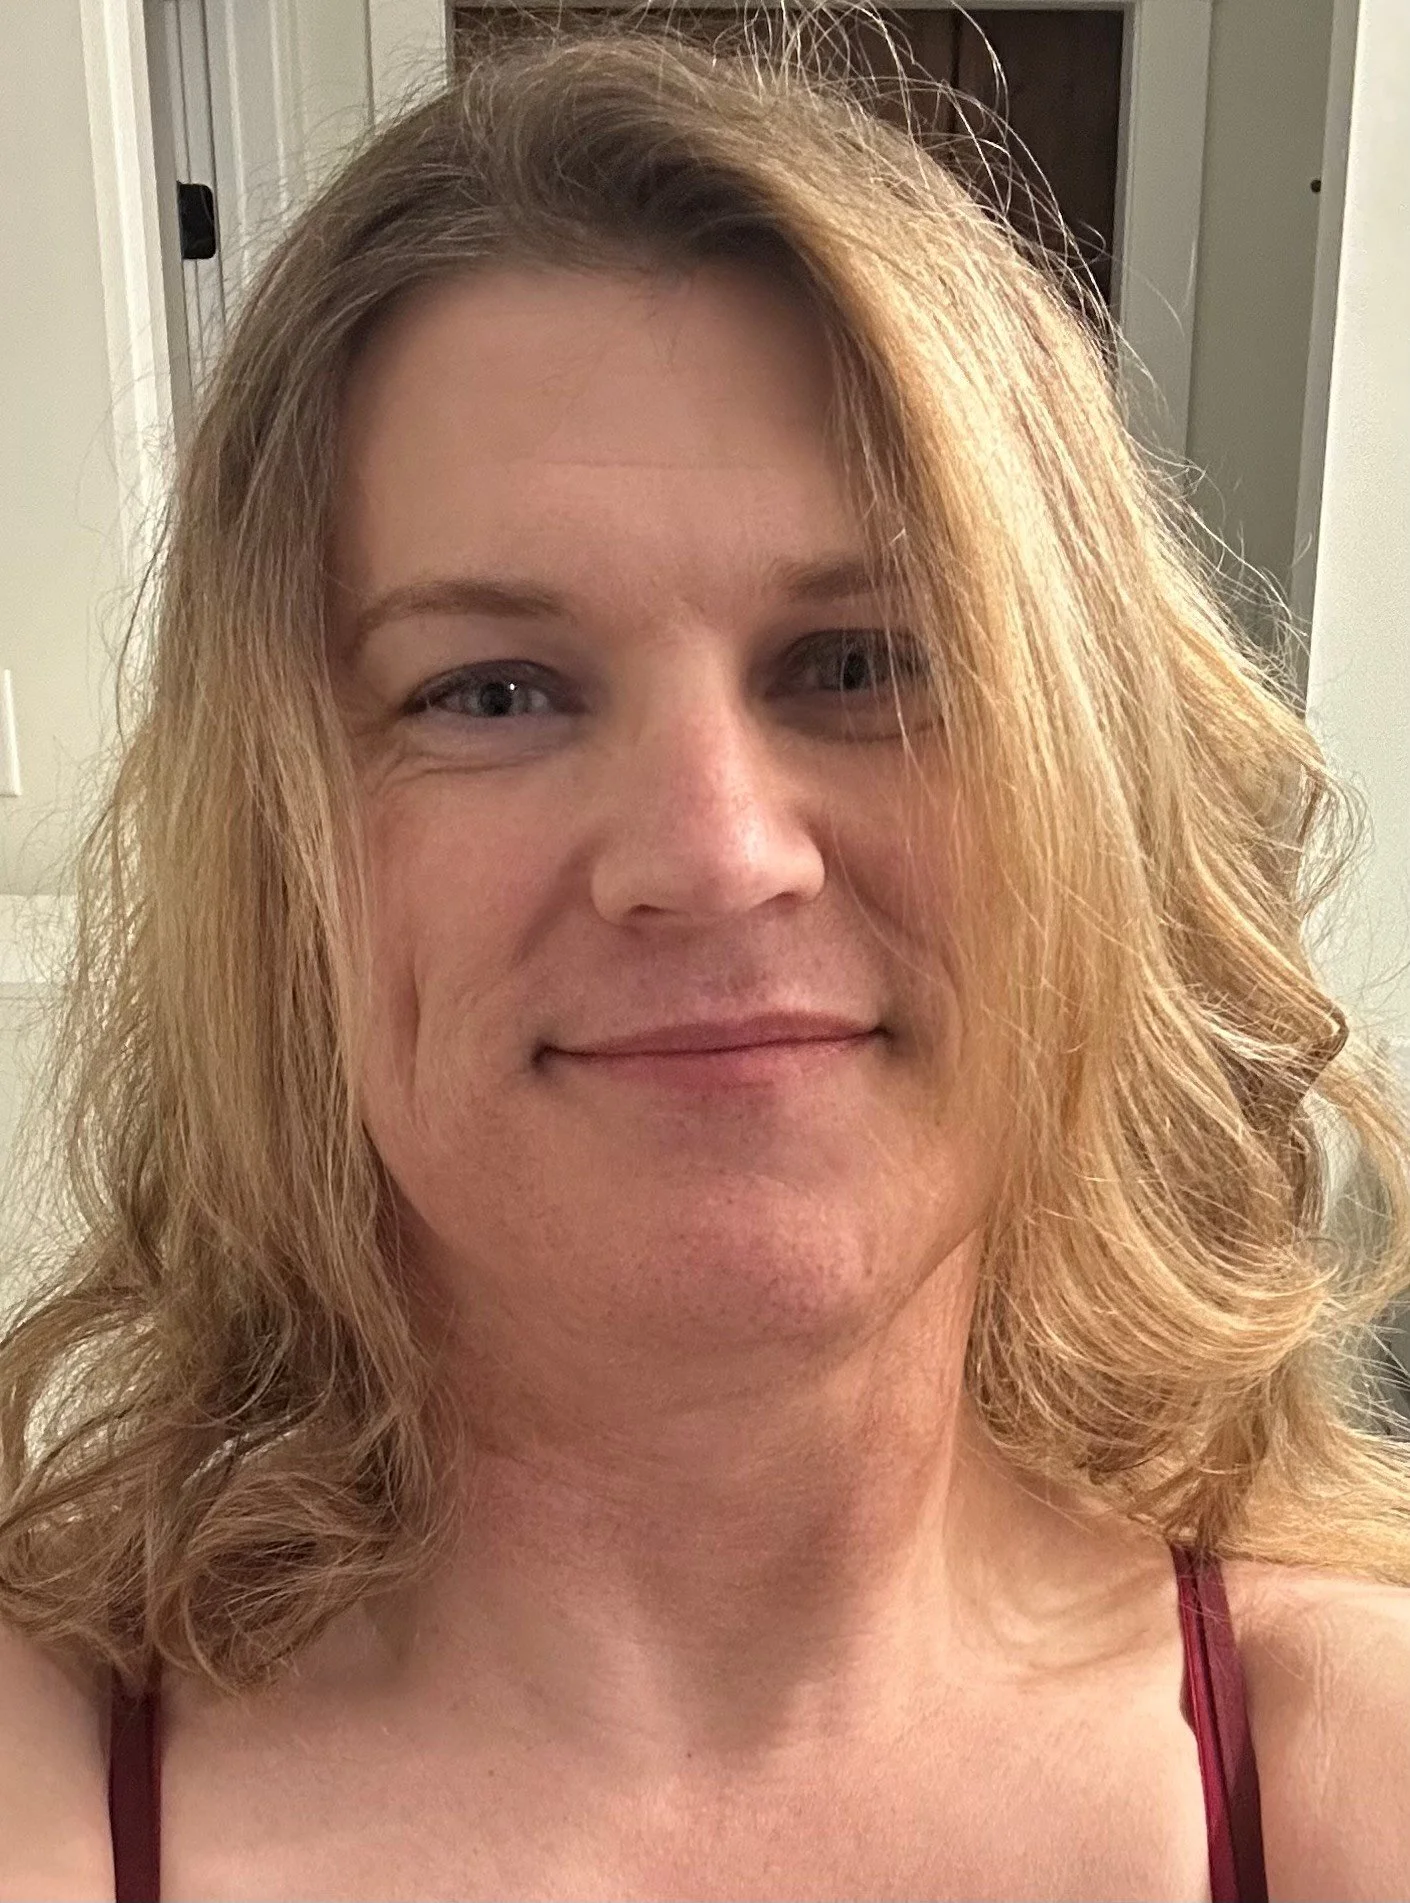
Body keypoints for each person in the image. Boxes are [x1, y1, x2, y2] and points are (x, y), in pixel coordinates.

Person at [2, 13, 1409, 1899]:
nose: (715, 854)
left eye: (861, 662)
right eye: (491, 691)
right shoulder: (48, 1787)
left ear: (1096, 798)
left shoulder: (1355, 1771)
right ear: (277, 858)